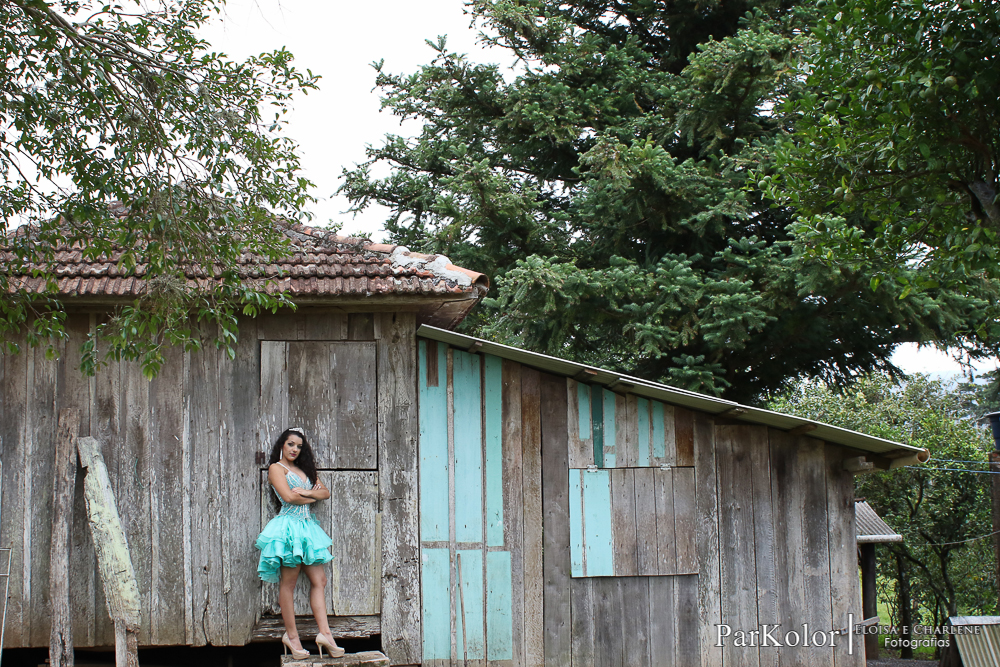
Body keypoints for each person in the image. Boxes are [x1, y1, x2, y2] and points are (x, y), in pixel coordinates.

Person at [255, 427, 345, 659]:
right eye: (290, 444)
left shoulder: (304, 470)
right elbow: (289, 497)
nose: (295, 449)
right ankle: (291, 637)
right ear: (282, 446)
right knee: (289, 583)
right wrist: (310, 493)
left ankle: (325, 634)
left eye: (299, 446)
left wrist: (307, 492)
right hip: (288, 528)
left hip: (307, 527)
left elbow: (324, 493)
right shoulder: (277, 468)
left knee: (320, 580)